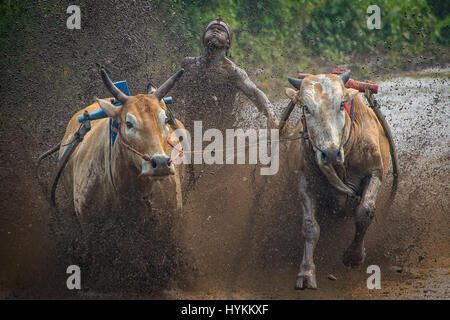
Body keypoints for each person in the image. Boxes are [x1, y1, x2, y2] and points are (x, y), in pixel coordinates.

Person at [174, 16, 279, 132]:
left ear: (228, 43)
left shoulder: (233, 72)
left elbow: (255, 92)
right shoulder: (189, 65)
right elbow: (173, 94)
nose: (215, 31)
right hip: (189, 130)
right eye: (211, 28)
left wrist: (271, 115)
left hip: (221, 134)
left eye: (221, 30)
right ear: (203, 38)